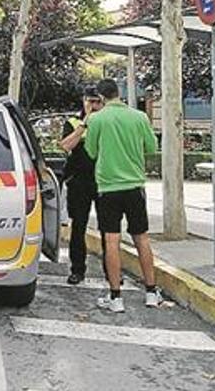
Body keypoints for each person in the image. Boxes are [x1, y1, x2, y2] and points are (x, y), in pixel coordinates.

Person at [84, 78, 160, 313]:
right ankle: (151, 292)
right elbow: (151, 147)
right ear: (119, 93)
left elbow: (91, 151)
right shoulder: (139, 117)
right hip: (135, 186)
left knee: (112, 241)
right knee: (142, 238)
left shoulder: (97, 119)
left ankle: (115, 297)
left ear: (101, 96)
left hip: (108, 188)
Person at [58, 86, 105, 285]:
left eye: (97, 102)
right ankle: (77, 269)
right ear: (83, 101)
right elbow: (65, 146)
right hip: (79, 182)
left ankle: (111, 271)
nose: (93, 106)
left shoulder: (107, 123)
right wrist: (84, 125)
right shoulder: (73, 122)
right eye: (90, 101)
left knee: (108, 229)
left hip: (103, 181)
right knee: (78, 227)